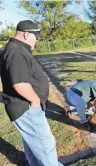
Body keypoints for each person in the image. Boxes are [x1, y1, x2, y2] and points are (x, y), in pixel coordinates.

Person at [0, 20, 63, 166]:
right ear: (27, 34)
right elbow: (20, 84)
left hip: (23, 107)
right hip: (27, 107)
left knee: (34, 145)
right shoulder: (16, 51)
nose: (37, 40)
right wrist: (35, 102)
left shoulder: (14, 49)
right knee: (45, 145)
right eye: (36, 36)